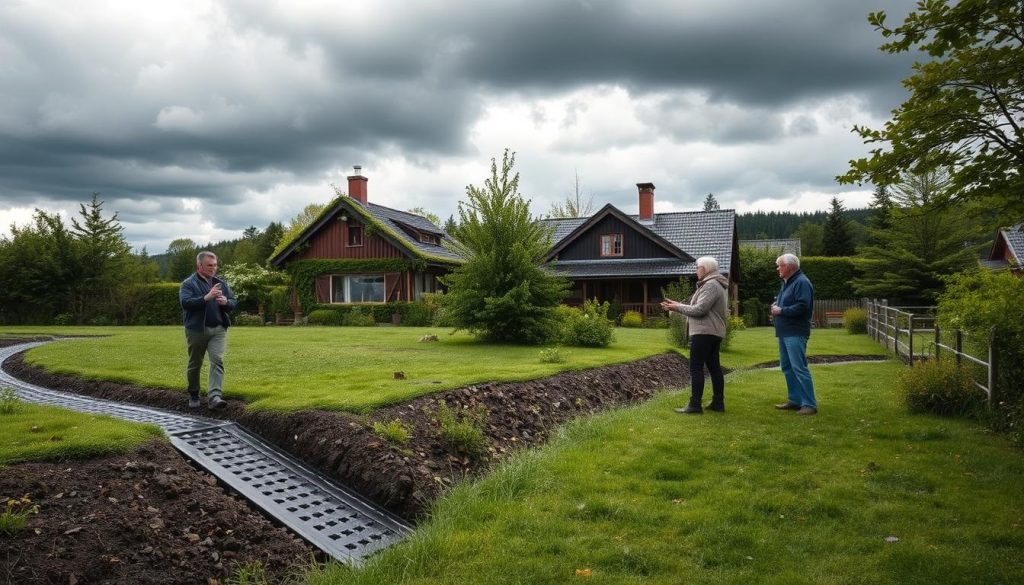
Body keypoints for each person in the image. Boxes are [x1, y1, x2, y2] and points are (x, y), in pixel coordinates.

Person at [661, 256, 730, 414]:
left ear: (705, 269)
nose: (695, 270)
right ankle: (718, 403)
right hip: (712, 332)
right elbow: (699, 306)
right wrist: (676, 305)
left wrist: (677, 307)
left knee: (695, 368)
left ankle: (694, 405)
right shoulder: (714, 284)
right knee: (714, 367)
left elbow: (699, 310)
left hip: (703, 332)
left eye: (697, 267)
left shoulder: (711, 285)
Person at [179, 251, 236, 410]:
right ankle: (194, 394)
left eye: (215, 265)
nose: (213, 269)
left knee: (217, 360)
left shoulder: (220, 283)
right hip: (197, 330)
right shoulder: (188, 284)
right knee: (195, 363)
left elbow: (232, 302)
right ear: (199, 266)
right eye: (209, 265)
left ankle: (215, 397)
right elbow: (186, 303)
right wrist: (207, 297)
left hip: (218, 329)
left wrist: (226, 302)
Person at [770, 253, 817, 415]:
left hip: (795, 332)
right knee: (787, 367)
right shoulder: (788, 282)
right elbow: (791, 303)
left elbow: (803, 306)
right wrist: (778, 304)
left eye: (780, 265)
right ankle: (795, 400)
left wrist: (781, 310)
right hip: (785, 332)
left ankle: (809, 404)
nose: (778, 268)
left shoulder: (801, 282)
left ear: (789, 267)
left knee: (799, 367)